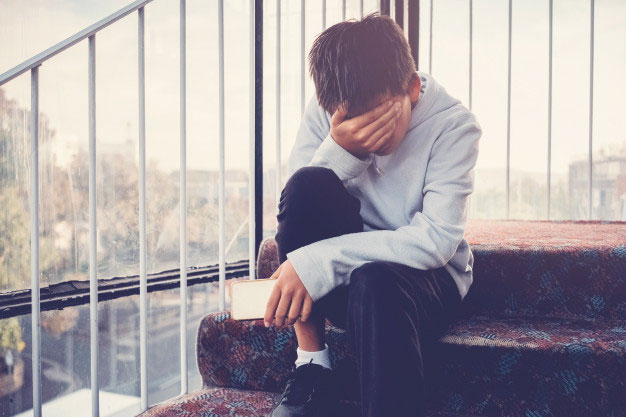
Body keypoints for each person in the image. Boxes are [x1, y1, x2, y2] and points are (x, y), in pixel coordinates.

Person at [264, 12, 481, 417]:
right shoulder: (330, 105)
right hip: (346, 278)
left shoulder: (455, 126)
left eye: (379, 118)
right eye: (352, 123)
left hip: (422, 282)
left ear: (412, 88)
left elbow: (435, 240)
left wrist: (314, 263)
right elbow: (296, 202)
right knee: (306, 184)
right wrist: (340, 149)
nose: (366, 133)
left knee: (375, 280)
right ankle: (312, 364)